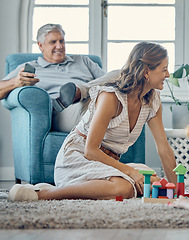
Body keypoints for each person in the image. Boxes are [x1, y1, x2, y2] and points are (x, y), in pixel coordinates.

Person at [8, 42, 177, 201]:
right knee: (124, 188)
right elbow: (90, 150)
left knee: (153, 182)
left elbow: (163, 147)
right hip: (78, 157)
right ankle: (45, 193)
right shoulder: (111, 97)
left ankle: (108, 183)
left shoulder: (152, 100)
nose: (167, 75)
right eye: (164, 69)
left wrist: (176, 190)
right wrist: (130, 172)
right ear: (147, 72)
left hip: (106, 163)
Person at [0, 23, 105, 132]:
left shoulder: (83, 61)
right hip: (65, 112)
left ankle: (80, 91)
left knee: (117, 76)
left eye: (62, 41)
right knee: (97, 107)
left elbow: (110, 81)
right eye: (53, 42)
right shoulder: (31, 68)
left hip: (96, 100)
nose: (59, 46)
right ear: (40, 45)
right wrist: (15, 82)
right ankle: (71, 98)